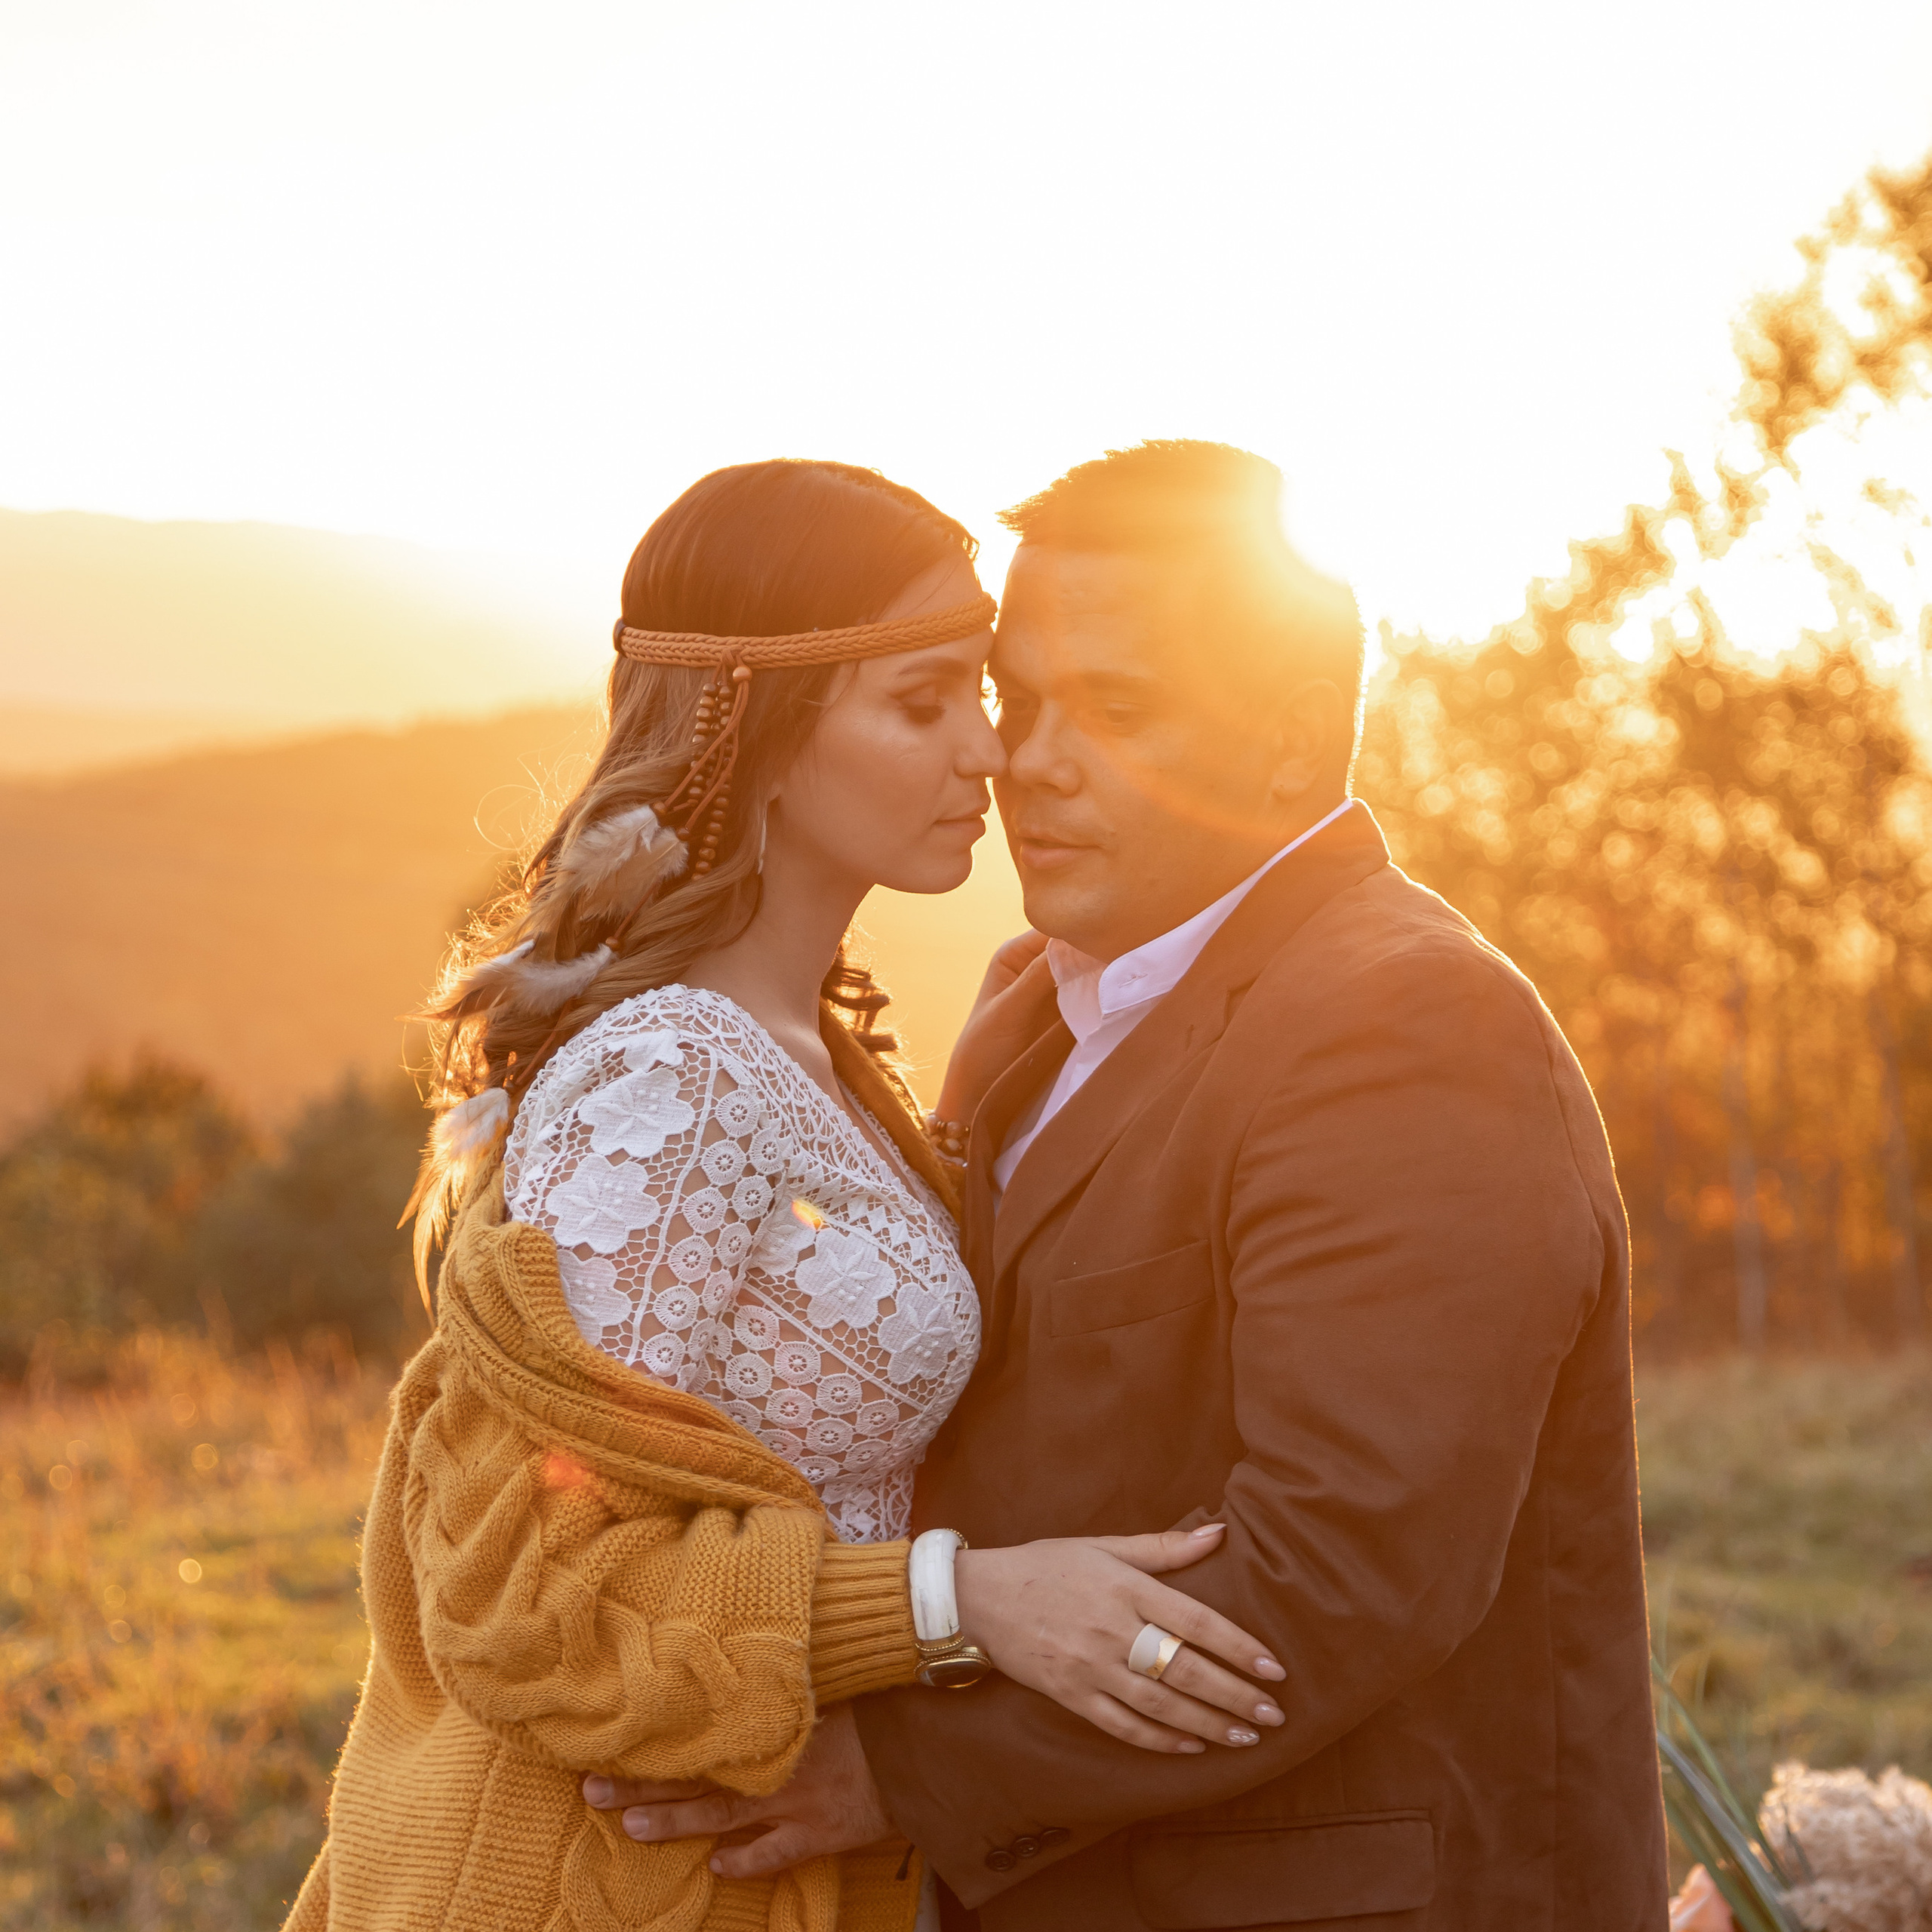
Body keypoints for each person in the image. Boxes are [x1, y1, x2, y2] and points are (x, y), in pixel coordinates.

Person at [586, 442, 1670, 1930]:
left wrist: (893, 1771)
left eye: (1116, 710)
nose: (1027, 759)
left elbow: (1338, 1571)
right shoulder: (1028, 1006)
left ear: (1290, 748)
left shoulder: (1407, 1027)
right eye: (1015, 700)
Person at [285, 458, 1291, 1932]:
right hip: (608, 1876)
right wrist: (964, 1602)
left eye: (981, 696)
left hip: (774, 1862)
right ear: (762, 723)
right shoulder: (671, 1077)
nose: (991, 756)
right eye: (923, 701)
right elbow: (538, 1589)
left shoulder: (821, 1055)